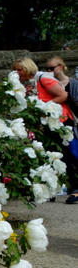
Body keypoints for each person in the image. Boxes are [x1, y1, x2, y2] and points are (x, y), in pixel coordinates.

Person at [43, 56, 78, 203]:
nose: (50, 71)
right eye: (48, 69)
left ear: (62, 66)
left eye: (53, 68)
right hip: (53, 123)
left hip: (70, 121)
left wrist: (65, 97)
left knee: (73, 153)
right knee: (57, 155)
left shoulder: (73, 83)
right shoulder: (49, 83)